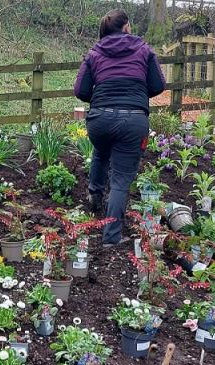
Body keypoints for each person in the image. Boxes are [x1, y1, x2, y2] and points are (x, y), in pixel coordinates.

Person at [74, 8, 166, 246]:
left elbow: (81, 91)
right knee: (121, 180)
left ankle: (95, 196)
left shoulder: (94, 53)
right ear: (126, 27)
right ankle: (111, 237)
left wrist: (102, 100)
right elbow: (158, 85)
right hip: (133, 120)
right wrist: (137, 93)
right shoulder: (144, 50)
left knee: (101, 151)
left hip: (100, 119)